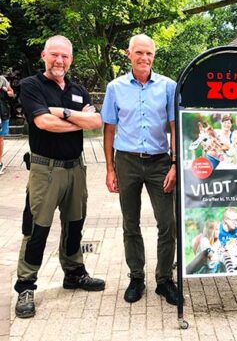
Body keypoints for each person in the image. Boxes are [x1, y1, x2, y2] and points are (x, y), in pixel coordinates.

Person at [14, 35, 105, 319]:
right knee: (37, 227)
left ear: (71, 59)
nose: (59, 61)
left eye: (64, 56)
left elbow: (97, 123)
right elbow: (42, 122)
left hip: (76, 168)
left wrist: (63, 113)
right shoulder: (31, 86)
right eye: (54, 55)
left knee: (75, 223)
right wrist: (78, 119)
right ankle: (26, 285)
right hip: (45, 169)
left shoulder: (78, 90)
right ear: (44, 55)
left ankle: (74, 272)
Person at [101, 34, 179, 305]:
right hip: (127, 161)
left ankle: (164, 279)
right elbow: (109, 128)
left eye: (149, 53)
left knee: (168, 223)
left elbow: (174, 127)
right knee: (130, 223)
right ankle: (136, 276)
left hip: (160, 162)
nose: (144, 58)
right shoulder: (115, 87)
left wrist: (174, 164)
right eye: (139, 53)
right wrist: (110, 169)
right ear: (129, 54)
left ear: (154, 56)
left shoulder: (169, 86)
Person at [0, 75, 15, 174]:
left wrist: (5, 90)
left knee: (0, 138)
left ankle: (0, 163)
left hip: (2, 112)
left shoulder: (1, 79)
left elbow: (11, 93)